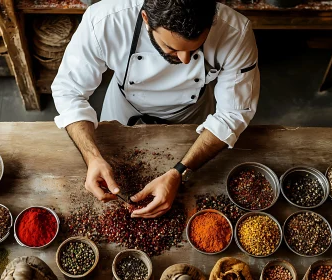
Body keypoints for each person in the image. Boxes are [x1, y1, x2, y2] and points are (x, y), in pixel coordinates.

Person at [52, 0, 260, 218]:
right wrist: (92, 156)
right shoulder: (106, 20)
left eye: (195, 48)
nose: (185, 59)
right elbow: (69, 90)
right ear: (146, 19)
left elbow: (234, 113)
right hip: (123, 109)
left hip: (191, 114)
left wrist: (179, 172)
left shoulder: (236, 32)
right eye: (172, 48)